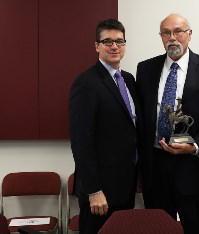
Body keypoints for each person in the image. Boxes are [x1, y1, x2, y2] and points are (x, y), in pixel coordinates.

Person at [136, 13, 199, 234]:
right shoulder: (145, 69)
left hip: (193, 168)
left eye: (178, 31)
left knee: (198, 228)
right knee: (158, 229)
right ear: (161, 37)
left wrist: (195, 146)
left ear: (189, 34)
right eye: (166, 33)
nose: (172, 38)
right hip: (155, 168)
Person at [69, 19, 142, 234]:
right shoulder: (86, 83)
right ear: (96, 46)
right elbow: (81, 141)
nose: (114, 46)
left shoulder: (128, 80)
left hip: (126, 185)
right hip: (100, 191)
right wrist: (93, 190)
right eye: (107, 41)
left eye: (119, 41)